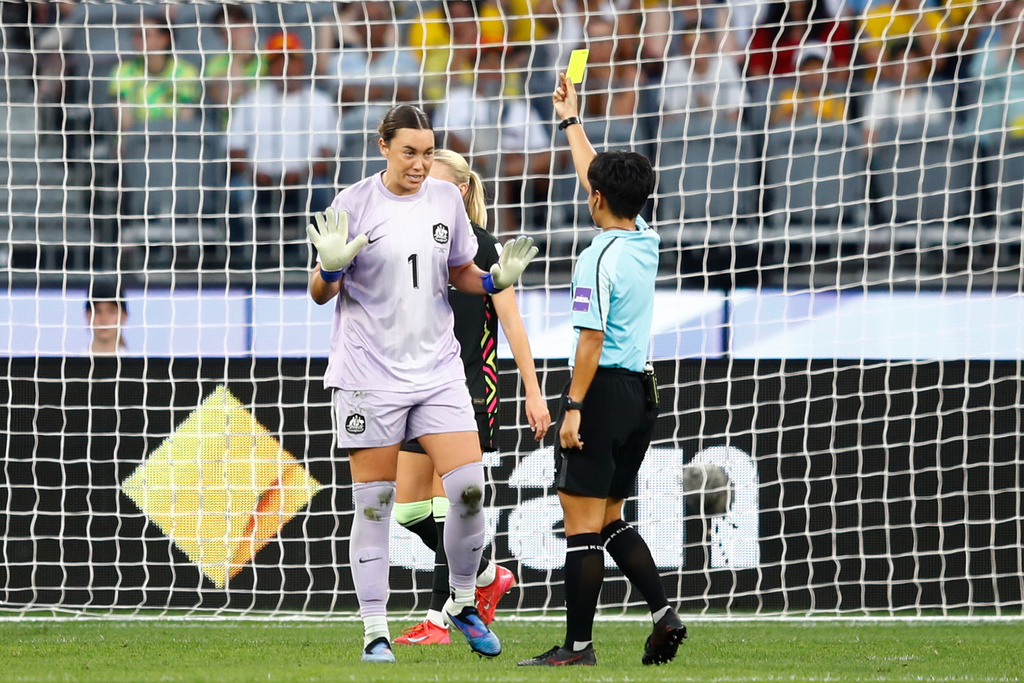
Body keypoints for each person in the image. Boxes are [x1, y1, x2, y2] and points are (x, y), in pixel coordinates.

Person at [307, 104, 538, 664]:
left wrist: (490, 279)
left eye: (427, 152)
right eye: (409, 151)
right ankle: (374, 630)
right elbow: (318, 292)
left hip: (438, 372)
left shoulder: (443, 199)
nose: (419, 163)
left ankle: (462, 600)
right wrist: (332, 269)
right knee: (376, 506)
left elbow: (457, 268)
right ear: (382, 146)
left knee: (469, 492)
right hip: (369, 376)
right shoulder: (353, 203)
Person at [518, 73, 685, 667]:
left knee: (582, 528)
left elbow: (589, 341)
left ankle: (578, 647)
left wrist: (572, 407)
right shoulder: (646, 239)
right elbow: (602, 182)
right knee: (611, 518)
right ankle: (664, 614)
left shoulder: (595, 258)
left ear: (594, 200)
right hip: (641, 394)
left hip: (601, 391)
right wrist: (571, 121)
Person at [391, 149, 552, 647]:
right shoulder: (415, 242)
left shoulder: (484, 247)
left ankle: (440, 621)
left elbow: (513, 325)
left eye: (434, 183)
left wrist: (533, 391)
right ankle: (485, 575)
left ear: (459, 191)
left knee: (448, 507)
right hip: (416, 387)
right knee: (408, 511)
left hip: (467, 392)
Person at [228, 31, 339, 268]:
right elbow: (235, 153)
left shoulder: (320, 102)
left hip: (305, 181)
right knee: (236, 193)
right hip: (258, 180)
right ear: (269, 66)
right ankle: (241, 264)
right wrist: (257, 175)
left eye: (291, 60)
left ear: (301, 64)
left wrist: (299, 177)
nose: (285, 67)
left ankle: (317, 263)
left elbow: (328, 158)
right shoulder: (250, 101)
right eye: (278, 61)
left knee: (323, 195)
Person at [86, 278, 128, 356]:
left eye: (111, 312)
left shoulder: (135, 366)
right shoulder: (71, 365)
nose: (104, 319)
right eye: (98, 311)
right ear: (88, 315)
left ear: (124, 317)